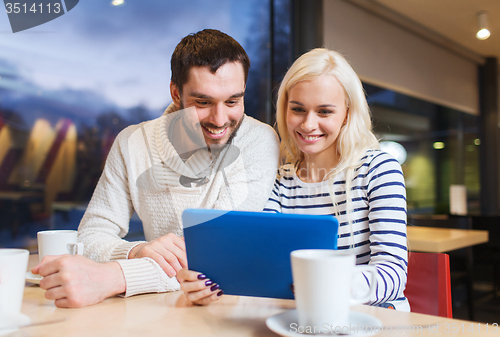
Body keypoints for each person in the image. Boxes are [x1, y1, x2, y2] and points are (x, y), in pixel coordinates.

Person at [31, 29, 280, 308]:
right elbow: (90, 235)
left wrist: (114, 277)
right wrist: (136, 251)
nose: (220, 119)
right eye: (203, 102)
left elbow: (217, 256)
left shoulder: (258, 140)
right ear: (176, 93)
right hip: (156, 307)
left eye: (233, 101)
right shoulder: (132, 143)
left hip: (228, 307)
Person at [178, 48, 409, 311]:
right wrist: (210, 283)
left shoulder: (378, 168)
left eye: (324, 112)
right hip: (298, 315)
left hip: (370, 316)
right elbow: (261, 263)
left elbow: (393, 276)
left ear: (347, 112)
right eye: (298, 109)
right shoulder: (280, 178)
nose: (308, 124)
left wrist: (331, 285)